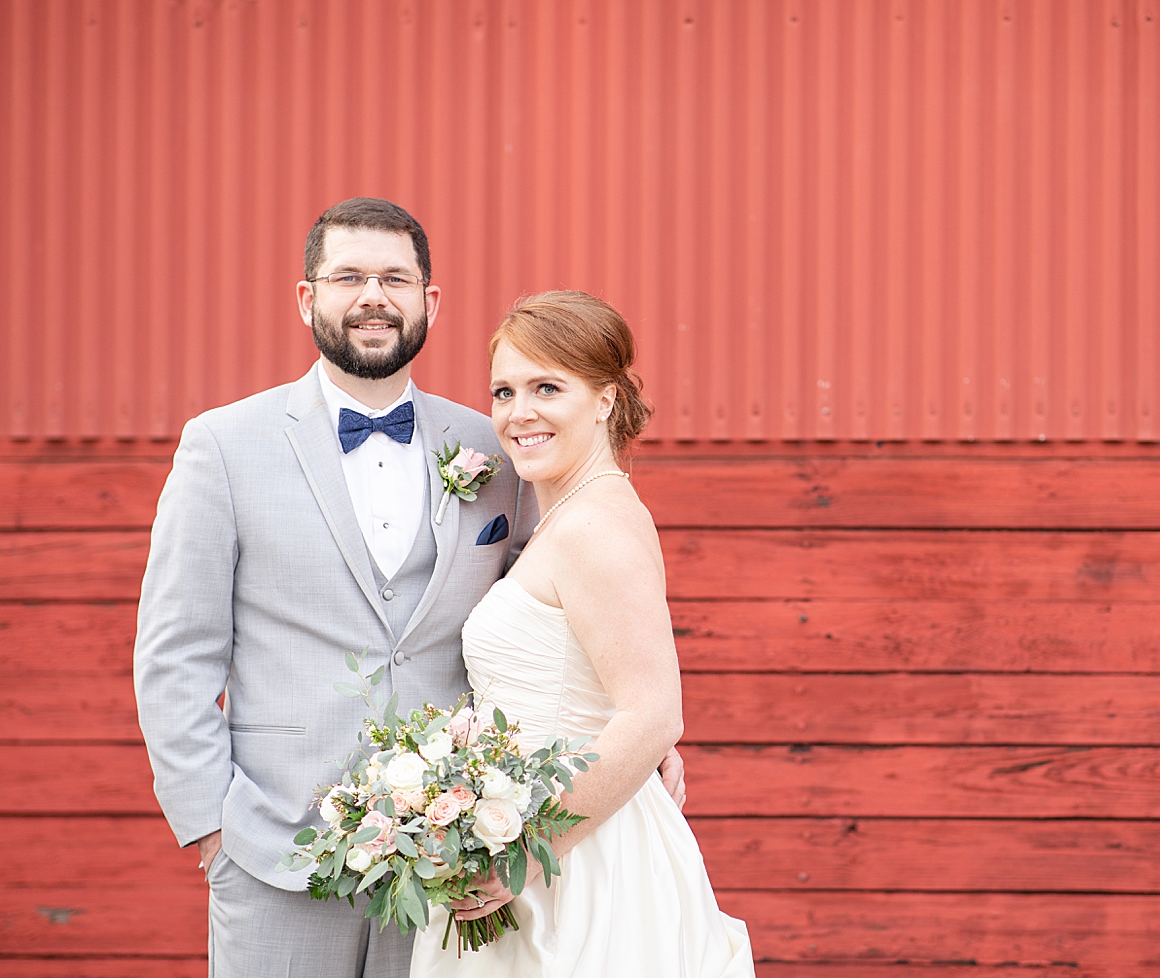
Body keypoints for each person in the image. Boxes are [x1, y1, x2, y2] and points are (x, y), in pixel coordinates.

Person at [132, 197, 687, 978]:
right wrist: (212, 828)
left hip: (452, 865)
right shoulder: (223, 445)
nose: (373, 296)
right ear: (307, 298)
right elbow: (174, 651)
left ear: (429, 301)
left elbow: (569, 611)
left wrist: (644, 729)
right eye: (348, 275)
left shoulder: (492, 445)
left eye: (395, 277)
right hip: (277, 852)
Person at [411, 292, 753, 977]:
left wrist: (526, 849)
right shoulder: (571, 516)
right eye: (503, 391)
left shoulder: (595, 525)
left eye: (548, 386)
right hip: (540, 841)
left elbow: (653, 713)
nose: (518, 411)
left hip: (576, 862)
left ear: (605, 399)